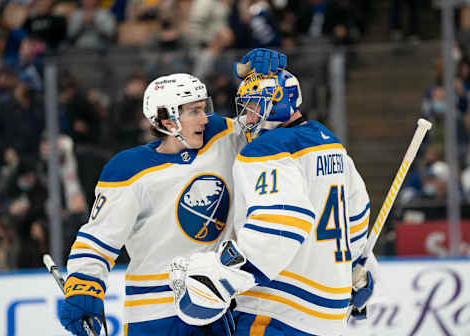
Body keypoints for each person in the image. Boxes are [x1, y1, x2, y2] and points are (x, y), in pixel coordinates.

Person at [58, 49, 288, 336]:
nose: (205, 118)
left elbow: (273, 128)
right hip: (154, 314)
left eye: (205, 108)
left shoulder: (224, 137)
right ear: (167, 121)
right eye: (194, 111)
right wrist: (84, 286)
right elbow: (98, 239)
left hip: (215, 306)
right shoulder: (128, 169)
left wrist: (264, 79)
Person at [170, 60, 378, 335]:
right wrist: (356, 265)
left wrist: (220, 274)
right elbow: (357, 214)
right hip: (330, 314)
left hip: (279, 311)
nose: (247, 116)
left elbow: (282, 223)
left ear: (277, 102)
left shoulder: (267, 149)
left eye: (254, 105)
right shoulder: (330, 144)